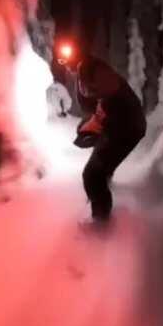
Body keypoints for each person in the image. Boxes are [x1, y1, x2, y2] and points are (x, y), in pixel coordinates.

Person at [57, 41, 146, 226]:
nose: (64, 63)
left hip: (127, 128)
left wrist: (99, 128)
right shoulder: (86, 70)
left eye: (66, 59)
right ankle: (103, 192)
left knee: (92, 175)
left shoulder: (92, 70)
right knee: (100, 164)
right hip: (124, 126)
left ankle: (100, 222)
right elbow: (94, 105)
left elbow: (108, 97)